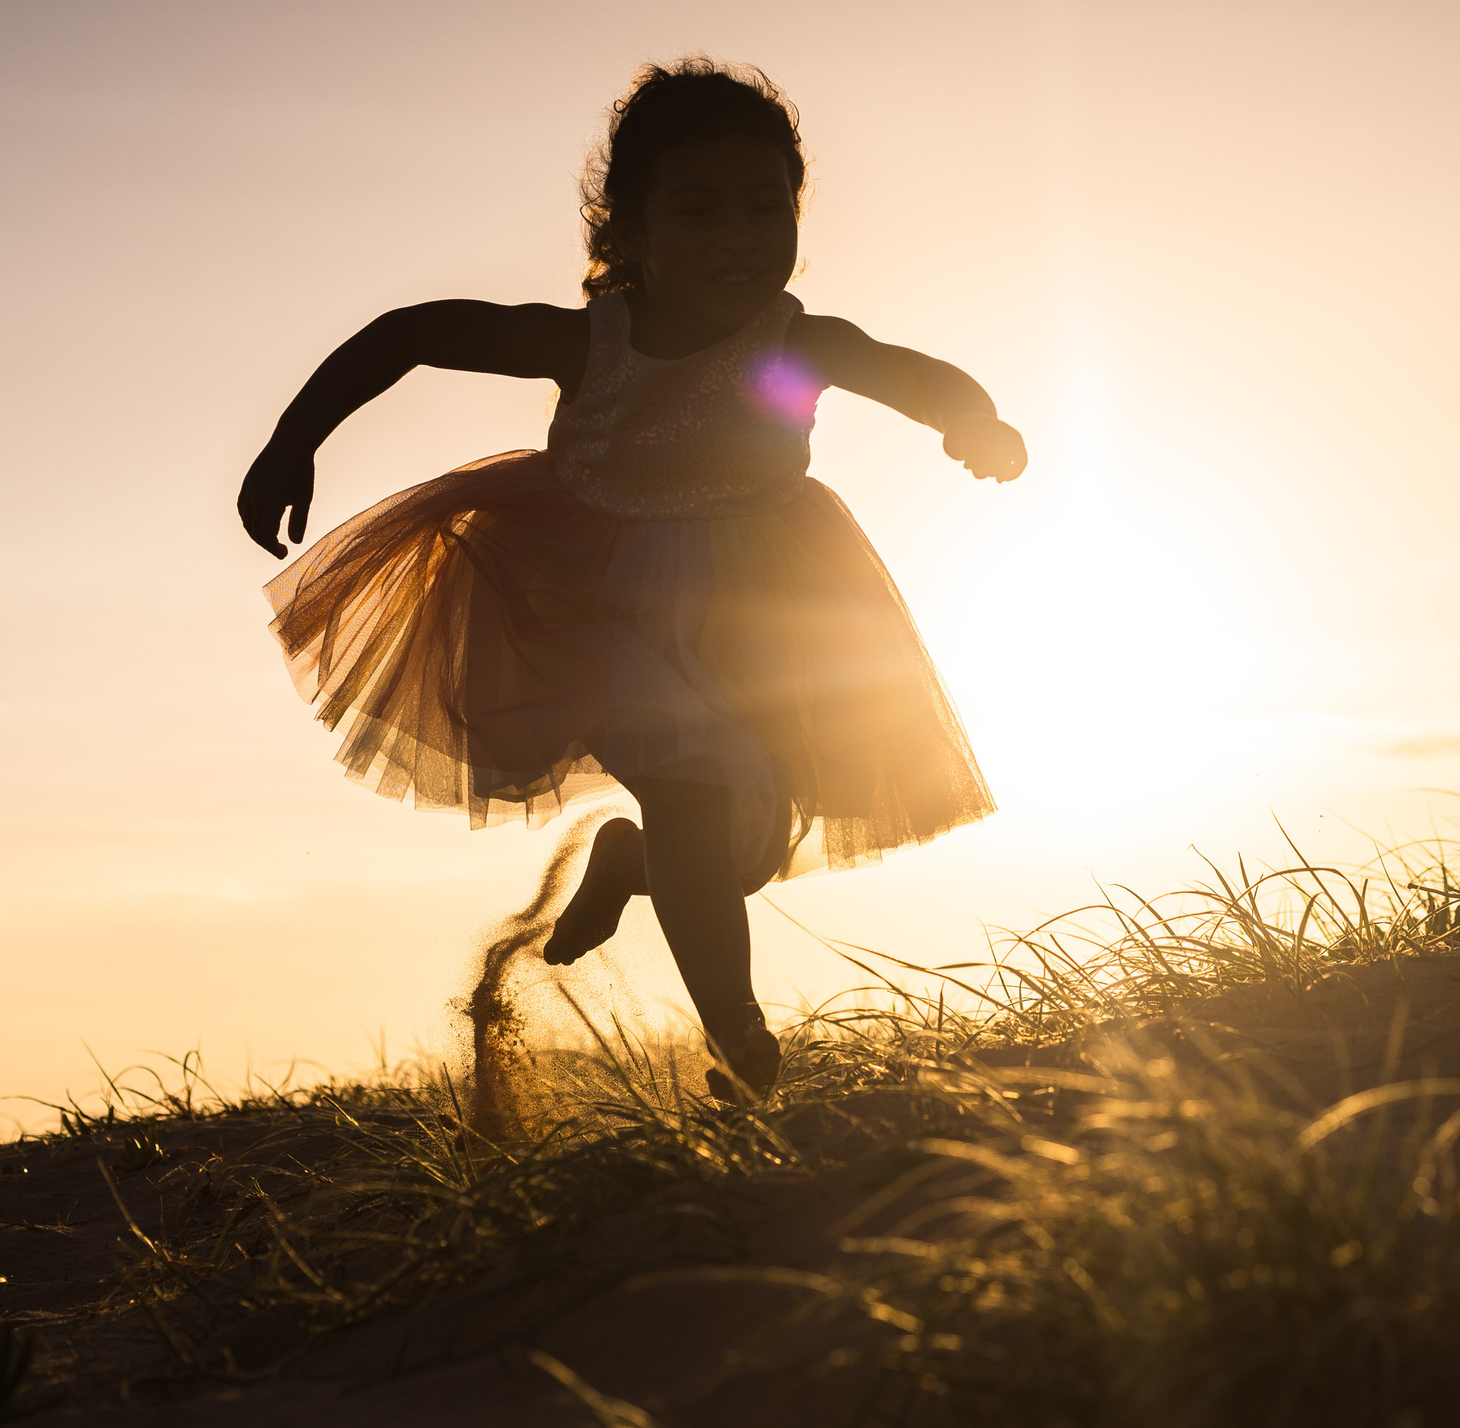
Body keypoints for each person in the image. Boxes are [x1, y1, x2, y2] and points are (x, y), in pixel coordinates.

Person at [235, 60, 1023, 1100]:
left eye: (762, 207)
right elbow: (415, 333)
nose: (737, 235)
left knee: (735, 851)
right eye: (696, 210)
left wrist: (971, 417)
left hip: (766, 611)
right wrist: (294, 439)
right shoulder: (589, 342)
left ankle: (629, 863)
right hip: (598, 606)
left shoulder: (791, 348)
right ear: (632, 231)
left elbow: (909, 372)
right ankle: (741, 1045)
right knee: (695, 802)